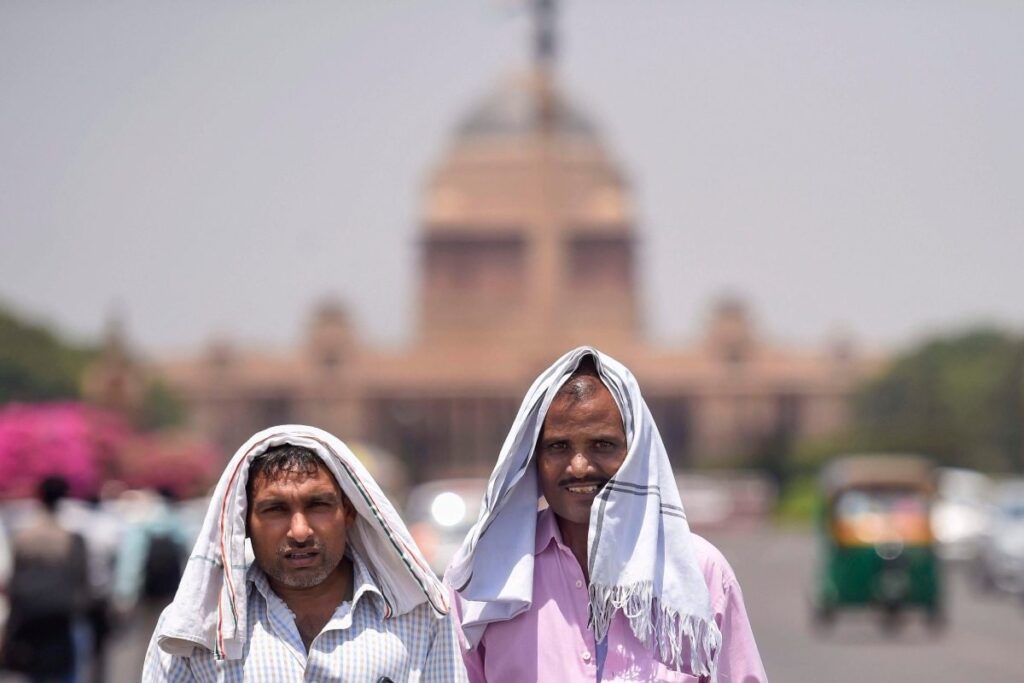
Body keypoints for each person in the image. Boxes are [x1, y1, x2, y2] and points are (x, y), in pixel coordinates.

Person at [446, 348, 767, 682]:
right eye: (558, 447)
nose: (580, 466)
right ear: (533, 459)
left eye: (602, 445)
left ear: (635, 453)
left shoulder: (702, 573)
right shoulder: (484, 579)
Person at [143, 425, 467, 682]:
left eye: (318, 505)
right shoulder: (196, 632)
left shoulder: (422, 617)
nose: (300, 531)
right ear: (242, 523)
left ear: (349, 512)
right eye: (275, 509)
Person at [2, 475, 89, 683]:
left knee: (33, 671)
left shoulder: (23, 537)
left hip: (30, 616)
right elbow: (82, 580)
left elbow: (13, 578)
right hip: (61, 617)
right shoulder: (72, 539)